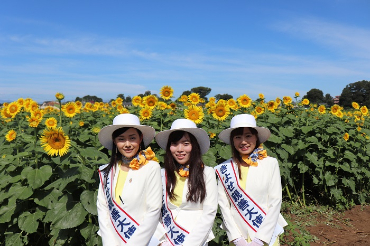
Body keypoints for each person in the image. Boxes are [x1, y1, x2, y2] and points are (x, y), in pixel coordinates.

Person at [215, 114, 287, 246]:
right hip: (238, 236)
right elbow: (224, 206)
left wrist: (260, 240)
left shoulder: (270, 163)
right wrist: (236, 238)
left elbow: (275, 202)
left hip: (266, 236)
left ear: (256, 138)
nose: (243, 142)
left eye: (248, 136)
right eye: (238, 137)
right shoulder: (224, 168)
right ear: (232, 141)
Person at [97, 113, 162, 246]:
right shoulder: (106, 171)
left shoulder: (151, 167)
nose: (127, 144)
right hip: (113, 238)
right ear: (114, 141)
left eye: (132, 138)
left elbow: (154, 209)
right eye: (121, 139)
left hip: (145, 239)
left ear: (140, 138)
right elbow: (102, 208)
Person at [153, 119, 218, 246]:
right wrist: (161, 241)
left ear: (194, 146)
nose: (180, 149)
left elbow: (209, 212)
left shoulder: (207, 173)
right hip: (166, 239)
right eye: (175, 144)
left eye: (186, 143)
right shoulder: (161, 174)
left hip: (196, 240)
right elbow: (152, 210)